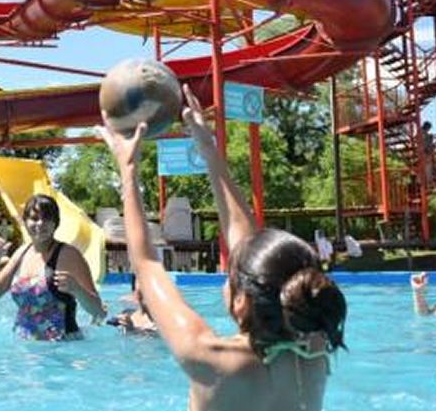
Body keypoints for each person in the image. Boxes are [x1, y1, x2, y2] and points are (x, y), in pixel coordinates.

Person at [98, 85, 346, 411]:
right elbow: (250, 248)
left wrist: (128, 173)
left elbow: (146, 264)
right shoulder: (315, 349)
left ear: (241, 302)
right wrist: (208, 149)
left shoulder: (212, 360)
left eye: (230, 275)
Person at [0, 193, 106, 340]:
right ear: (25, 221)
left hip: (61, 347)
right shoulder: (22, 252)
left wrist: (77, 289)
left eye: (47, 219)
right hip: (25, 348)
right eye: (34, 218)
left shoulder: (68, 255)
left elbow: (99, 312)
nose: (40, 223)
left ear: (56, 223)